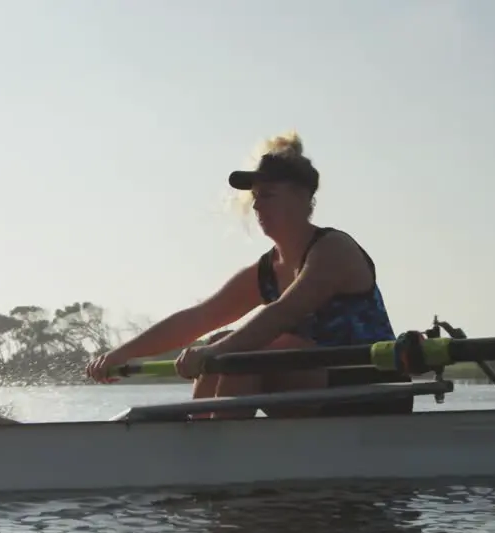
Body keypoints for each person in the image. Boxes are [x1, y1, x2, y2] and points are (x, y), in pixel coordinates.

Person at [85, 132, 408, 419]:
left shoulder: (334, 249)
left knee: (238, 353)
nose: (256, 207)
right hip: (316, 391)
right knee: (220, 343)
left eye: (267, 195)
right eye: (255, 198)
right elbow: (197, 318)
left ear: (302, 197)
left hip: (373, 391)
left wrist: (215, 353)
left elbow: (281, 313)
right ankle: (203, 448)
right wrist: (122, 353)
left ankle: (216, 459)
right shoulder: (266, 270)